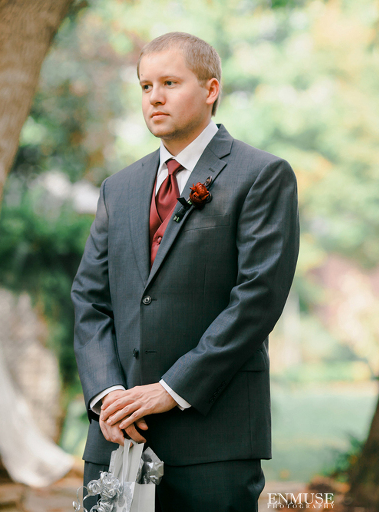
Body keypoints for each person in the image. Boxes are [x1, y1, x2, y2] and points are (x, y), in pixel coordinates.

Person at [71, 31, 299, 511]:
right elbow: (89, 300)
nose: (155, 97)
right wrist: (108, 397)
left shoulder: (261, 175)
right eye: (145, 86)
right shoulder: (119, 188)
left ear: (211, 89)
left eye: (170, 82)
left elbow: (257, 300)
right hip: (116, 438)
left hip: (213, 439)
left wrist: (170, 390)